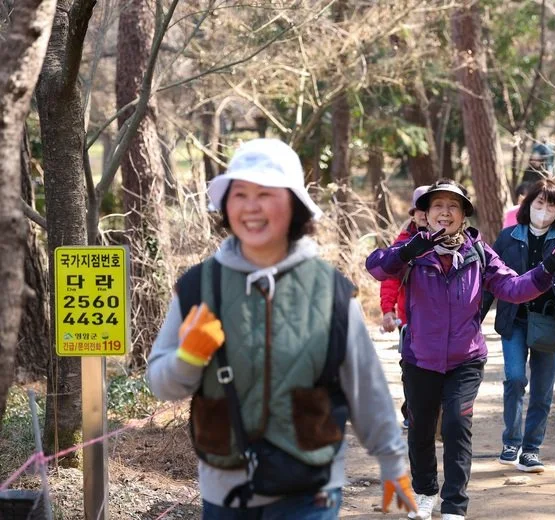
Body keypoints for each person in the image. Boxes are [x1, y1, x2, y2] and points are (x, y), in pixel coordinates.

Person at [146, 138, 416, 519]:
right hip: (227, 492)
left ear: (293, 205)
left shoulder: (330, 289)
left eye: (265, 193)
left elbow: (364, 384)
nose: (251, 206)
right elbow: (160, 383)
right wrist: (188, 357)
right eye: (240, 194)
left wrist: (392, 462)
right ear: (226, 205)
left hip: (312, 489)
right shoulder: (198, 286)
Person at [365, 179, 555, 520]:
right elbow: (377, 267)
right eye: (437, 205)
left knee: (456, 424)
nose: (445, 212)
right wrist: (409, 250)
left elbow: (513, 287)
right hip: (419, 357)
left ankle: (454, 504)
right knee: (421, 428)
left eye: (453, 207)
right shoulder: (411, 250)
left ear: (463, 215)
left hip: (465, 358)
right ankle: (425, 493)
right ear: (424, 214)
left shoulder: (478, 252)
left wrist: (548, 268)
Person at [482, 179, 555, 473]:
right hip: (514, 319)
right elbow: (489, 280)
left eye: (552, 204)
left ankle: (531, 450)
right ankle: (511, 442)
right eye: (539, 203)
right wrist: (472, 321)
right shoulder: (507, 237)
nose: (544, 210)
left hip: (548, 319)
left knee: (542, 390)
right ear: (528, 205)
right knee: (515, 379)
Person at [380, 185, 430, 429]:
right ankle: (412, 412)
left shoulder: (450, 241)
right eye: (418, 210)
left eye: (426, 209)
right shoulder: (402, 243)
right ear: (412, 214)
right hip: (409, 319)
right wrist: (387, 311)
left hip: (438, 320)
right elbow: (390, 279)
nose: (422, 214)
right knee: (410, 368)